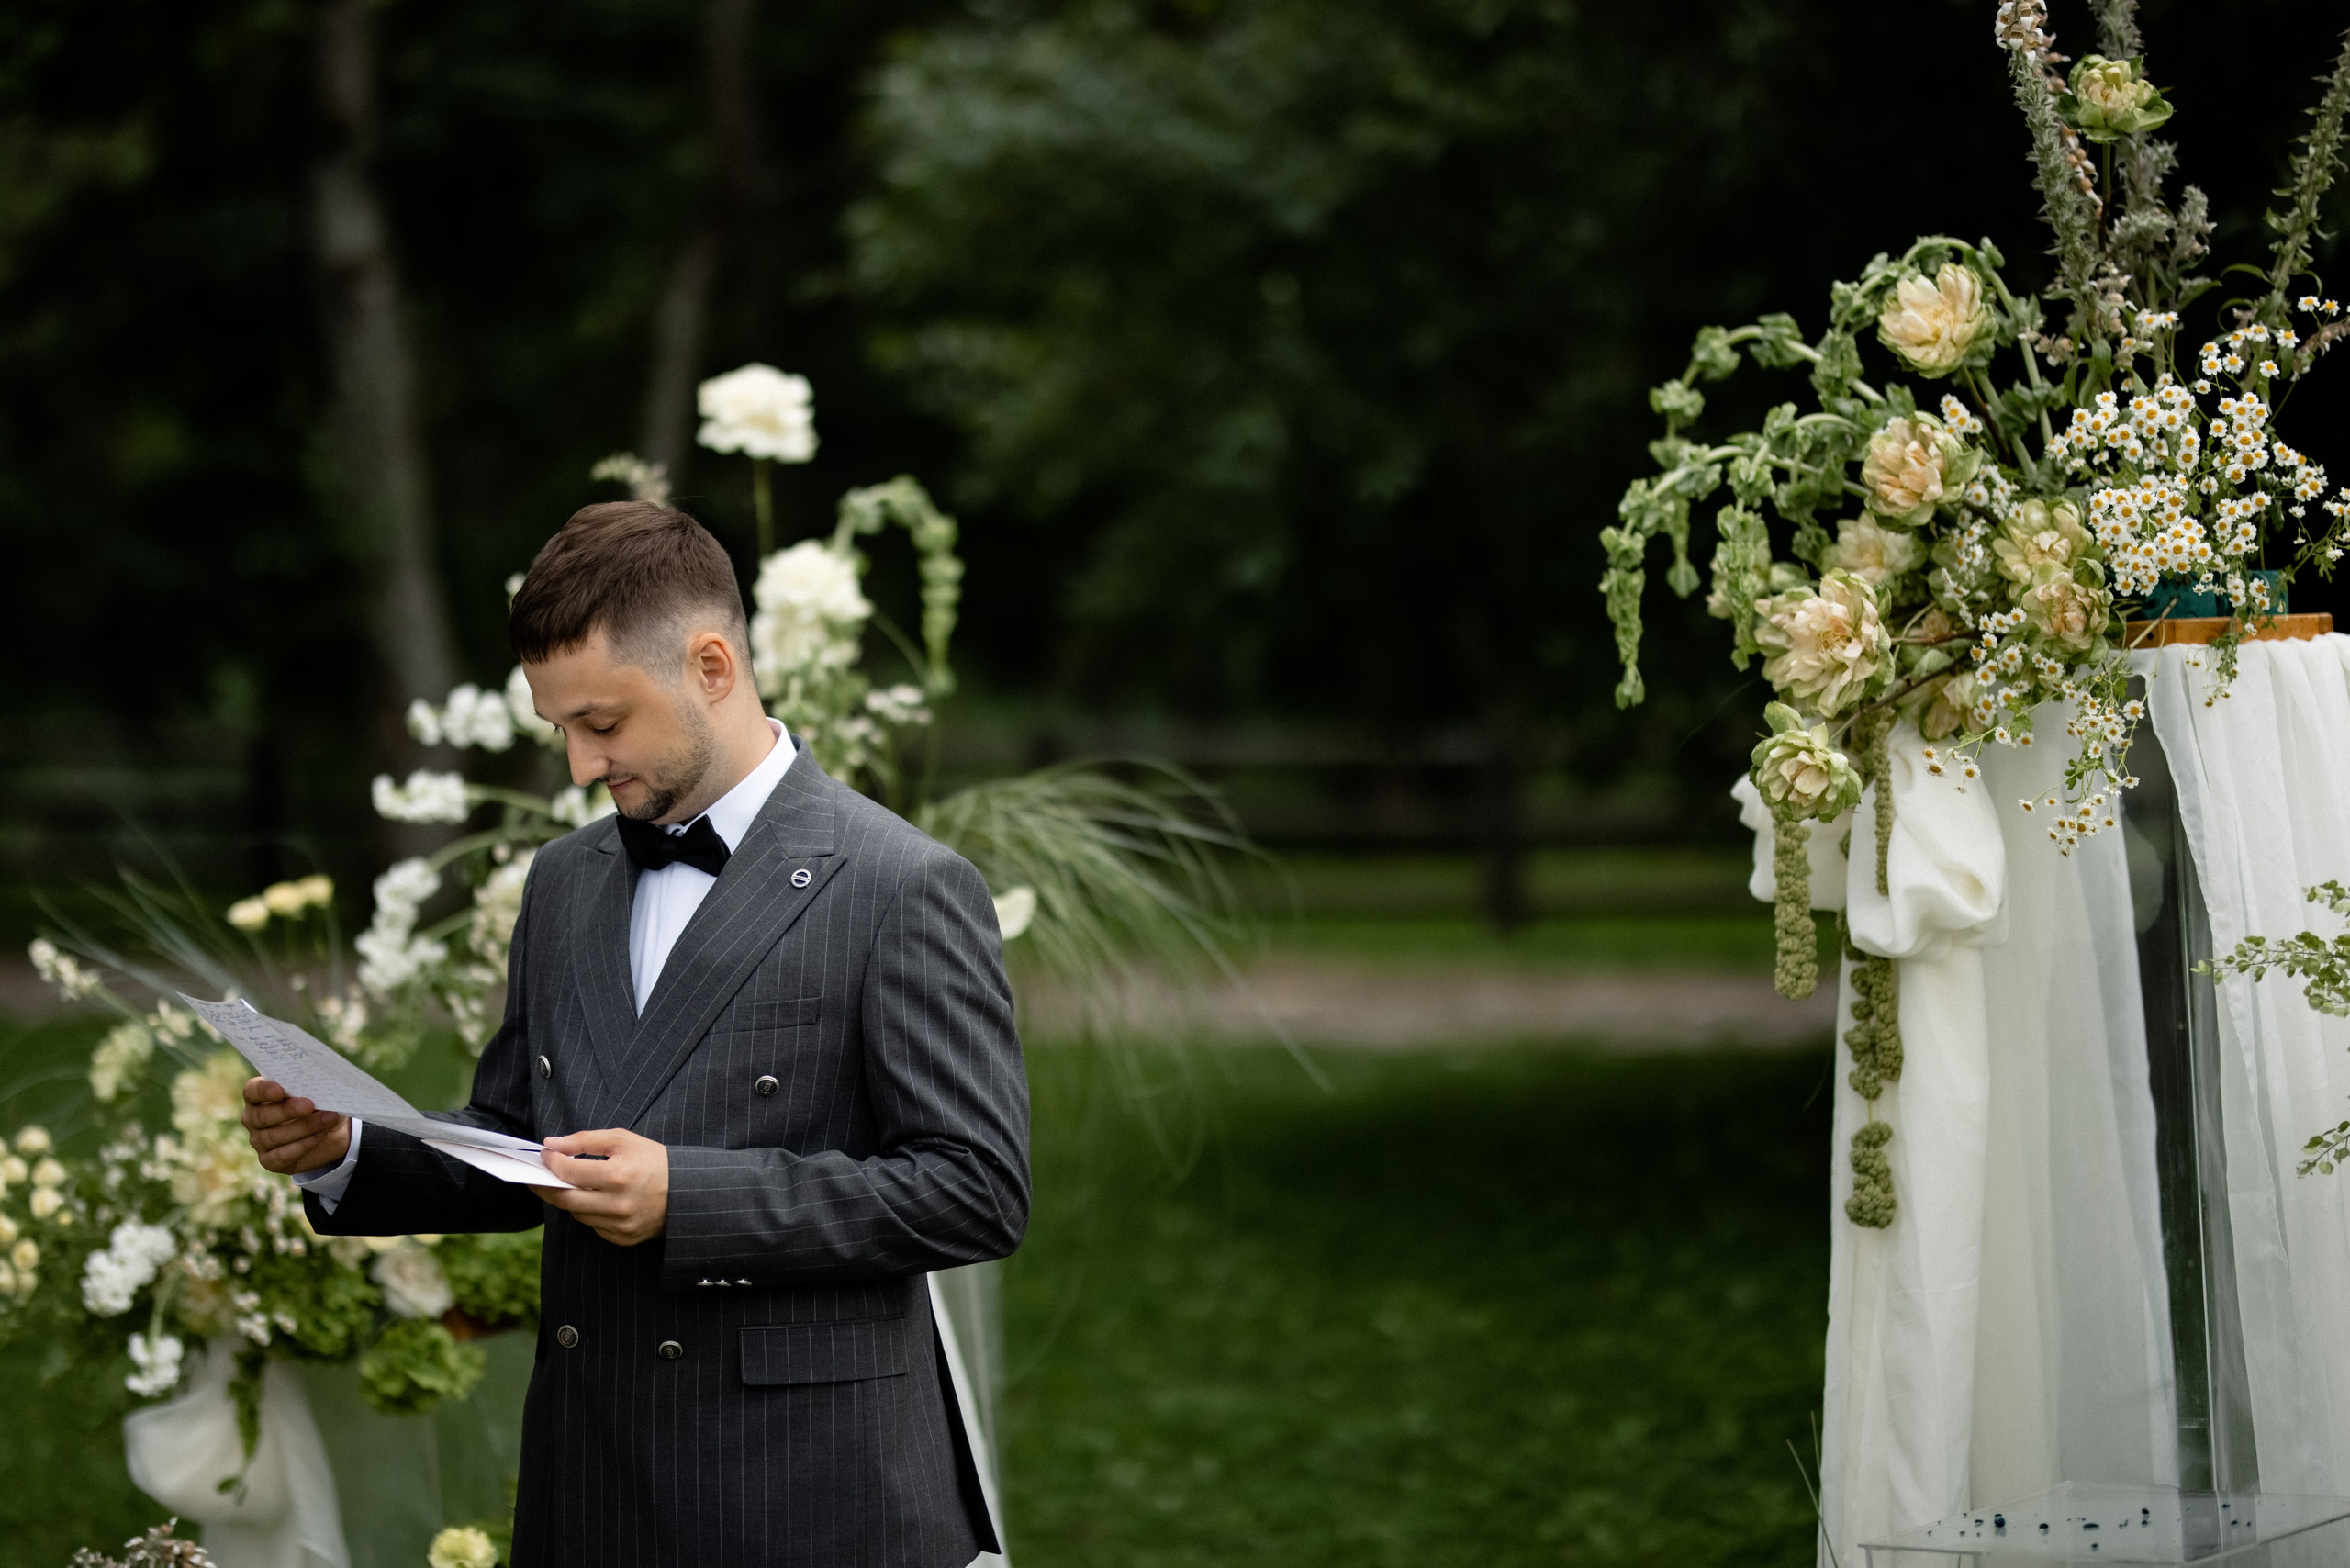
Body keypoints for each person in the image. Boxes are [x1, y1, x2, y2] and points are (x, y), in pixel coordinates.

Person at [240, 500, 1029, 1568]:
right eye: (559, 729)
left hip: (806, 1492)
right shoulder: (564, 882)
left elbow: (974, 1187)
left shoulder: (901, 883)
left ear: (711, 664)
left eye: (602, 724)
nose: (577, 766)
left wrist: (687, 1198)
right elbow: (520, 1138)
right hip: (591, 1475)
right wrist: (347, 1152)